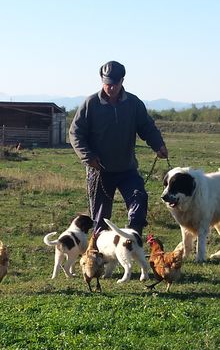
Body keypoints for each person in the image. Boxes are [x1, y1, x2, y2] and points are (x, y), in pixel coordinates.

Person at [69, 60, 168, 237]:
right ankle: (97, 254)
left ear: (122, 81)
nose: (111, 88)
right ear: (102, 80)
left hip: (127, 169)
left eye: (114, 84)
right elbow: (75, 133)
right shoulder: (90, 104)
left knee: (139, 198)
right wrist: (88, 156)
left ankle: (132, 238)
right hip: (99, 170)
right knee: (100, 217)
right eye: (107, 84)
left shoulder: (133, 103)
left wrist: (158, 145)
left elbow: (147, 127)